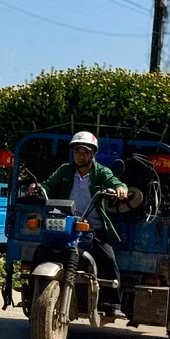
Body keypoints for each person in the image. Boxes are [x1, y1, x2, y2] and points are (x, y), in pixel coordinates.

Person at [32, 131, 130, 316]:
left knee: (108, 259)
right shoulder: (65, 170)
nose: (81, 155)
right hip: (67, 224)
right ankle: (34, 292)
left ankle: (113, 304)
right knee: (41, 251)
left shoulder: (101, 172)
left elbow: (116, 182)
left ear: (93, 154)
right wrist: (39, 188)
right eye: (78, 151)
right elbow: (49, 184)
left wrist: (120, 189)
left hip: (92, 227)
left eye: (85, 152)